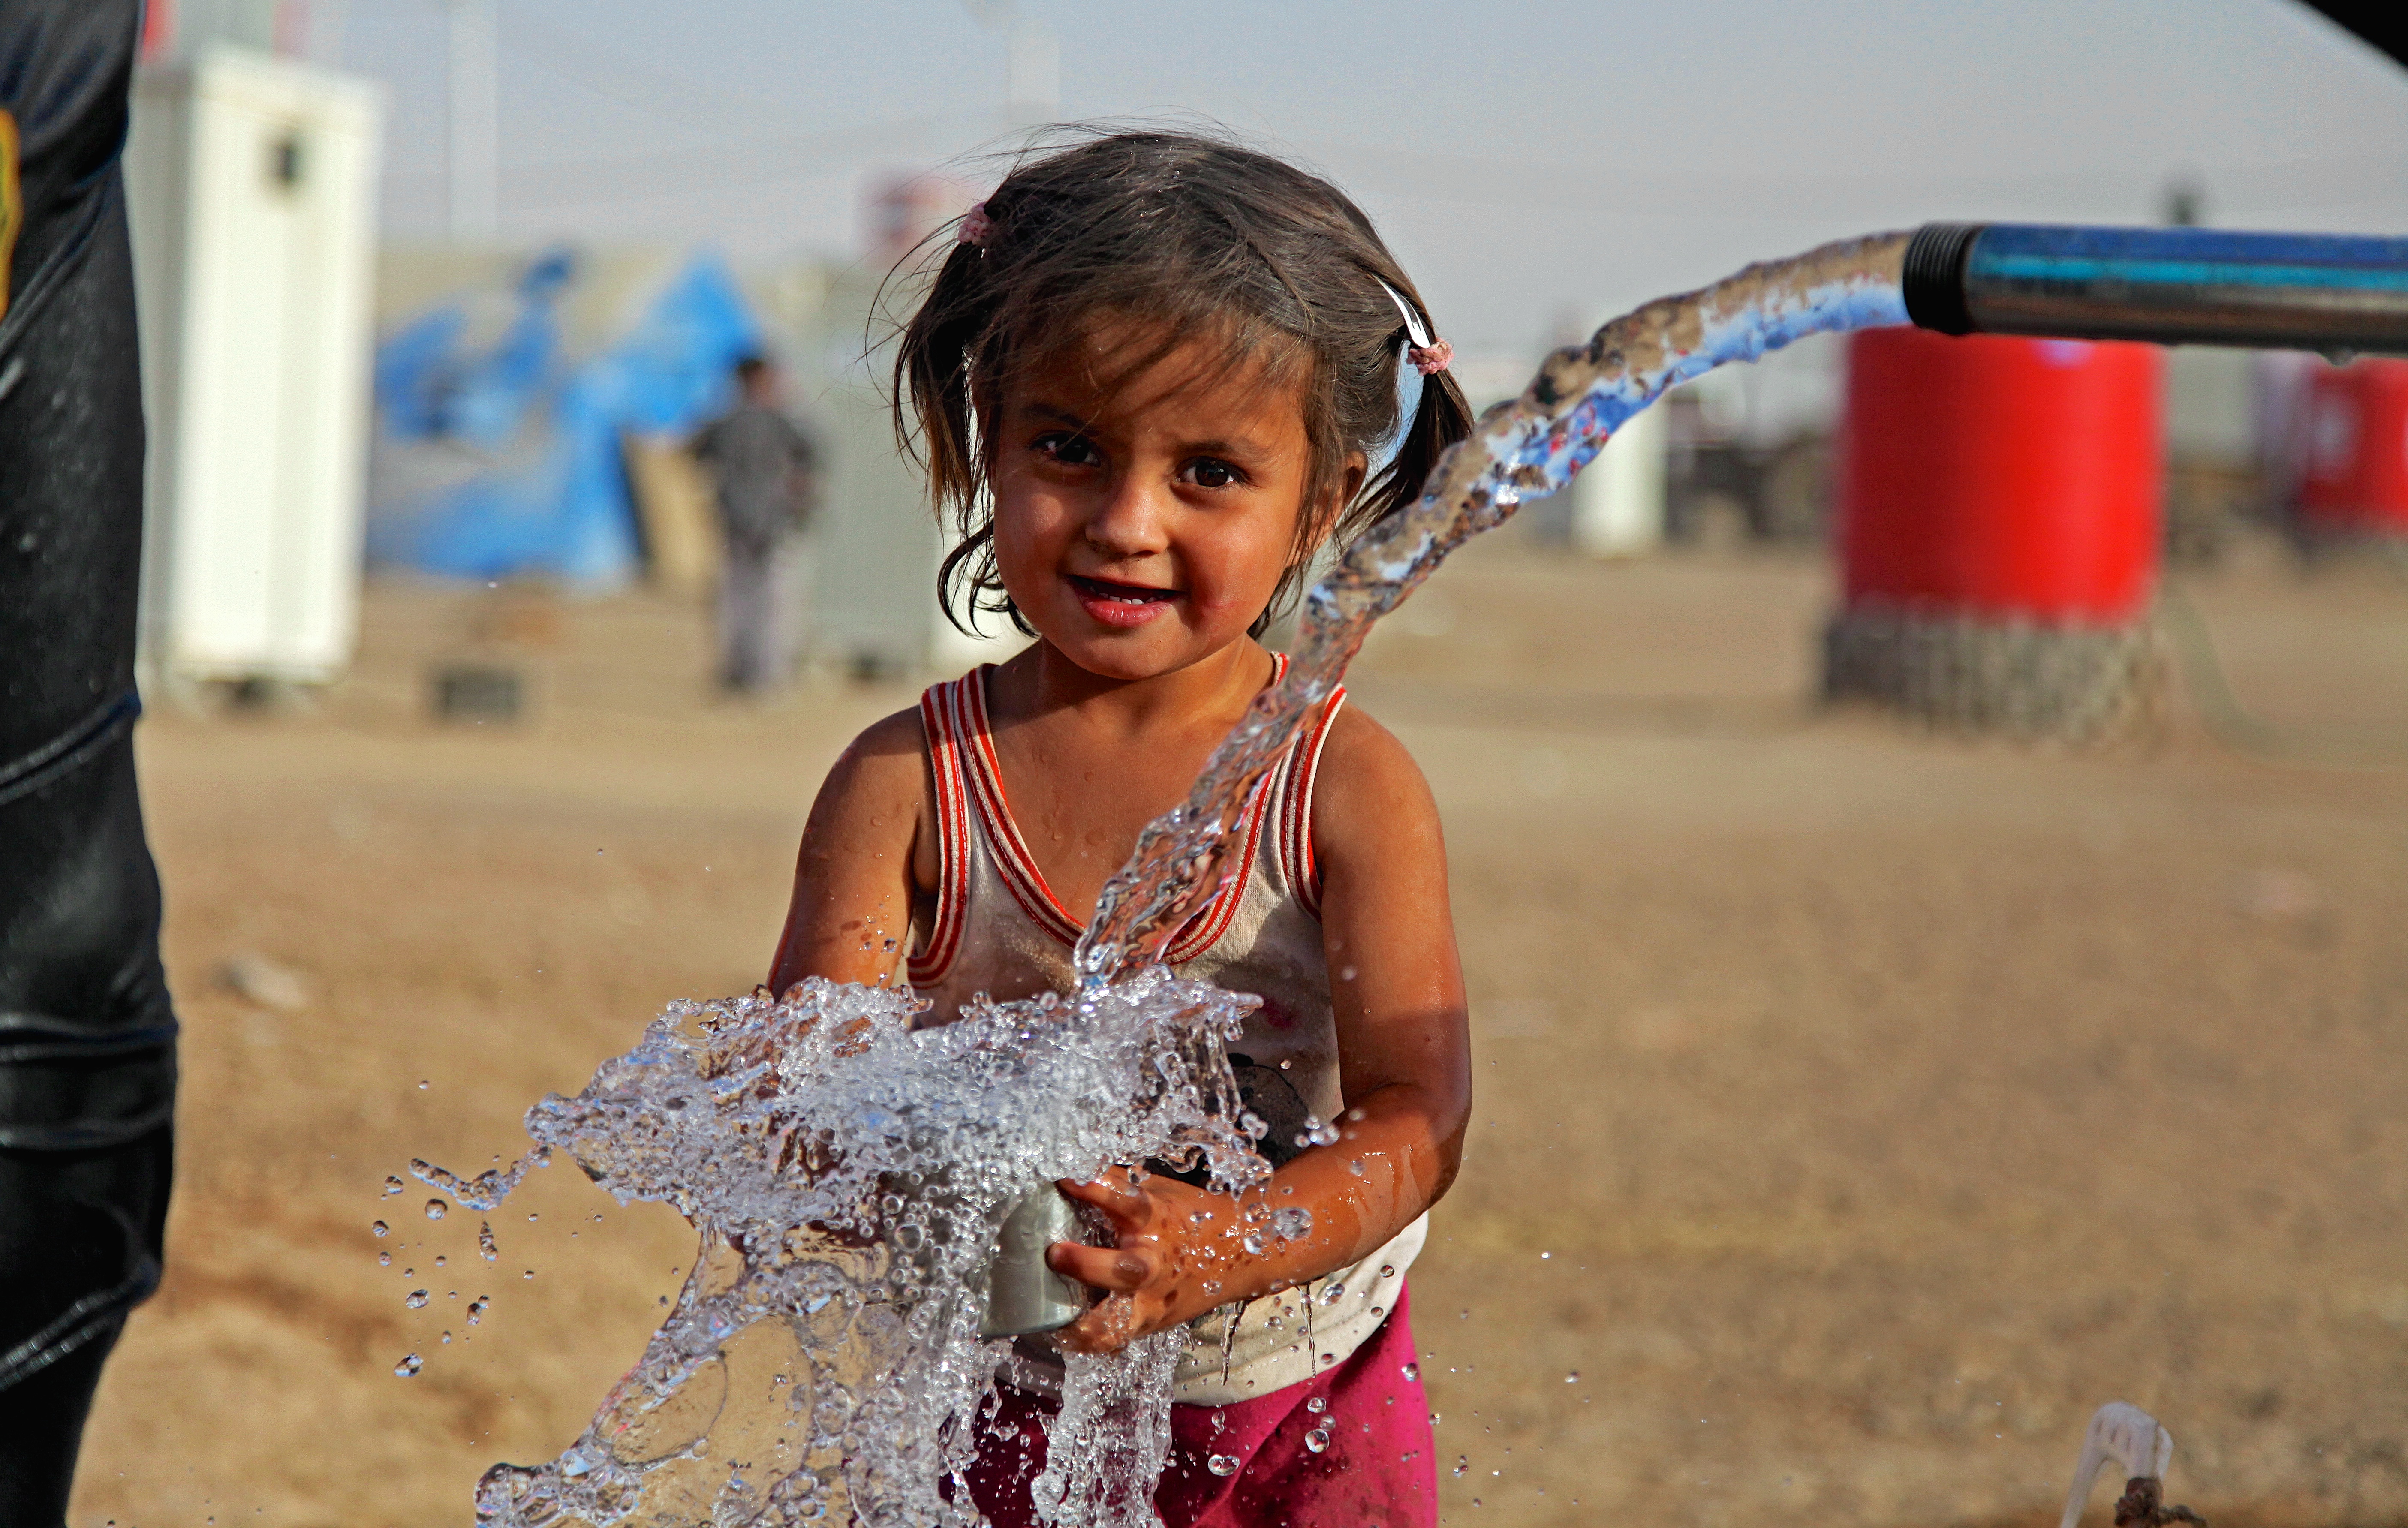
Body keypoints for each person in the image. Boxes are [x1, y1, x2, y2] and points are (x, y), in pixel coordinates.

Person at [765, 130, 1475, 1527]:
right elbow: (808, 1071)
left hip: (1298, 1409)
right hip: (1001, 1402)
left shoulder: (1339, 783)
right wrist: (837, 1125)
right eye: (1070, 448)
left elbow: (1417, 1114)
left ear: (1319, 502)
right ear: (987, 437)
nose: (1124, 522)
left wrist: (1229, 1241)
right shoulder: (906, 782)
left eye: (1208, 471)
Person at [689, 354, 820, 693]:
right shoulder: (780, 421)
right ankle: (766, 675)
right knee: (770, 599)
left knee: (738, 597)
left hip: (738, 521)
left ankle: (741, 672)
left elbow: (695, 454)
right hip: (770, 523)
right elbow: (810, 458)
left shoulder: (723, 423)